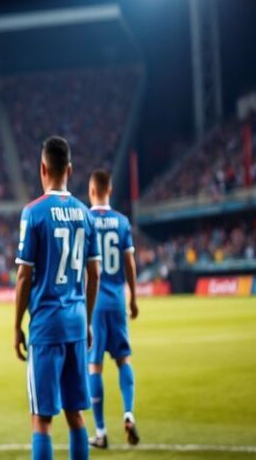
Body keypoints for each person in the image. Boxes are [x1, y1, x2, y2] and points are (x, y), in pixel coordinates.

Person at [14, 137, 101, 460]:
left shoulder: (33, 213)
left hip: (47, 326)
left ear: (43, 168)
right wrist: (87, 320)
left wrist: (16, 326)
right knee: (76, 414)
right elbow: (95, 274)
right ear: (70, 170)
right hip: (76, 324)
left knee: (42, 419)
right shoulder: (85, 214)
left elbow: (24, 276)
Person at [86, 170, 140, 448]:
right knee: (123, 360)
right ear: (110, 190)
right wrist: (133, 298)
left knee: (94, 365)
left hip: (94, 303)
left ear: (92, 191)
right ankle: (128, 413)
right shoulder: (122, 222)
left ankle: (101, 431)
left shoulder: (84, 219)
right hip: (118, 300)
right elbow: (129, 263)